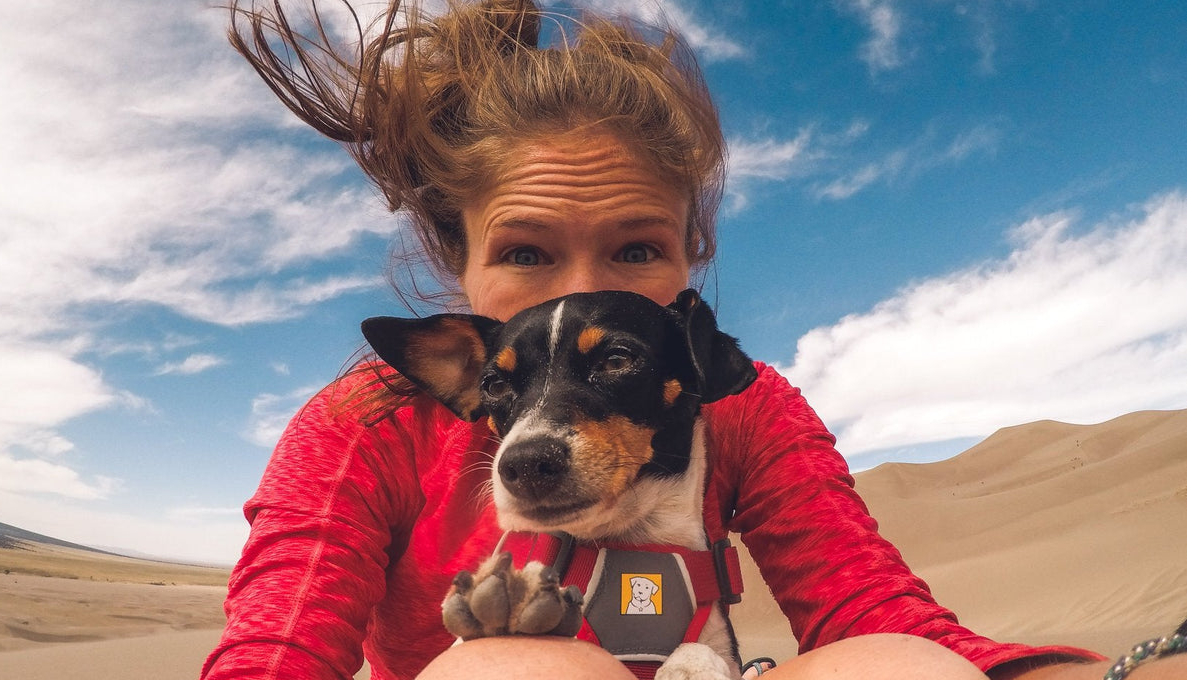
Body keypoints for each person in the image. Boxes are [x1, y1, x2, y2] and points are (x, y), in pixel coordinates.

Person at [201, 1, 1187, 679]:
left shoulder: (739, 400)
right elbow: (278, 648)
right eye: (528, 252)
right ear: (458, 264)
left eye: (634, 247)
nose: (584, 295)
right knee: (513, 664)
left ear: (689, 256)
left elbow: (869, 608)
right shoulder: (366, 424)